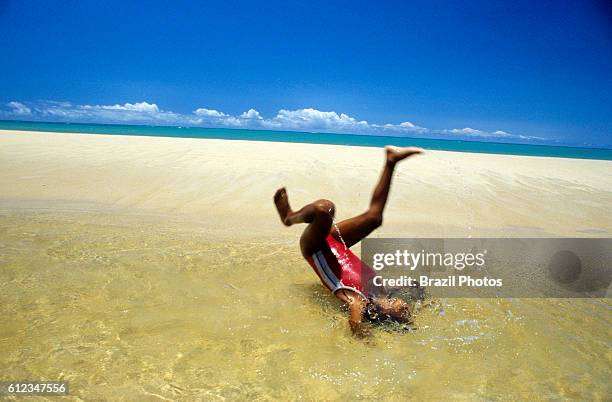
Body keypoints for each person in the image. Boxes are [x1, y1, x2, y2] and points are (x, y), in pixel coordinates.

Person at [274, 145, 424, 337]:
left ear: (384, 313)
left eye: (402, 314)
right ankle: (391, 161)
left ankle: (289, 217)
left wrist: (367, 341)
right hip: (338, 242)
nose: (406, 309)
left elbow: (355, 323)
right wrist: (421, 296)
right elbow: (414, 285)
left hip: (316, 249)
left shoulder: (359, 300)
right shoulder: (383, 291)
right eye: (407, 311)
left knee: (324, 209)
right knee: (374, 218)